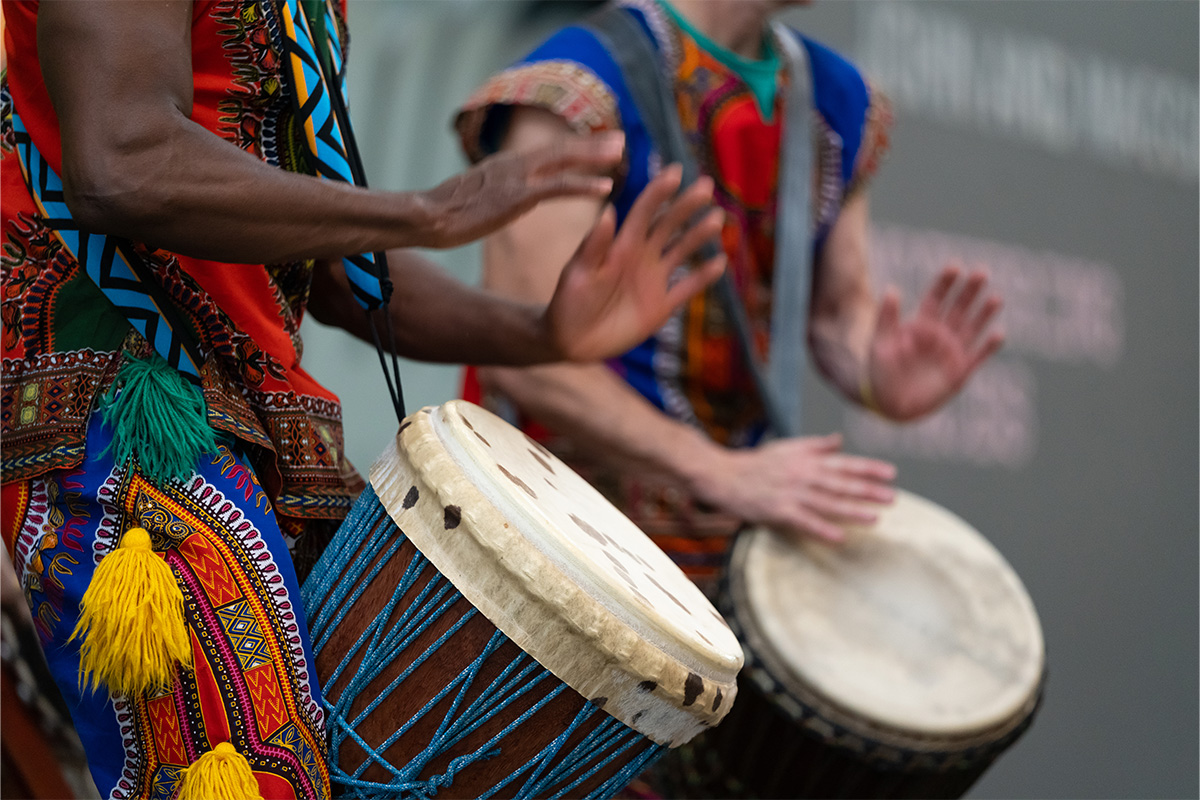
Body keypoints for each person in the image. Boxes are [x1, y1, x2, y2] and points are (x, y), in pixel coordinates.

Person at [0, 1, 726, 798]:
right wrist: (431, 212)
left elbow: (338, 265)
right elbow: (126, 161)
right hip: (120, 411)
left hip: (264, 422)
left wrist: (545, 333)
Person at [456, 0, 1005, 594]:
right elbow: (522, 357)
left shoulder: (835, 98)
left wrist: (875, 370)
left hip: (728, 540)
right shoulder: (577, 83)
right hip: (557, 536)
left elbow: (839, 315)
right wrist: (713, 468)